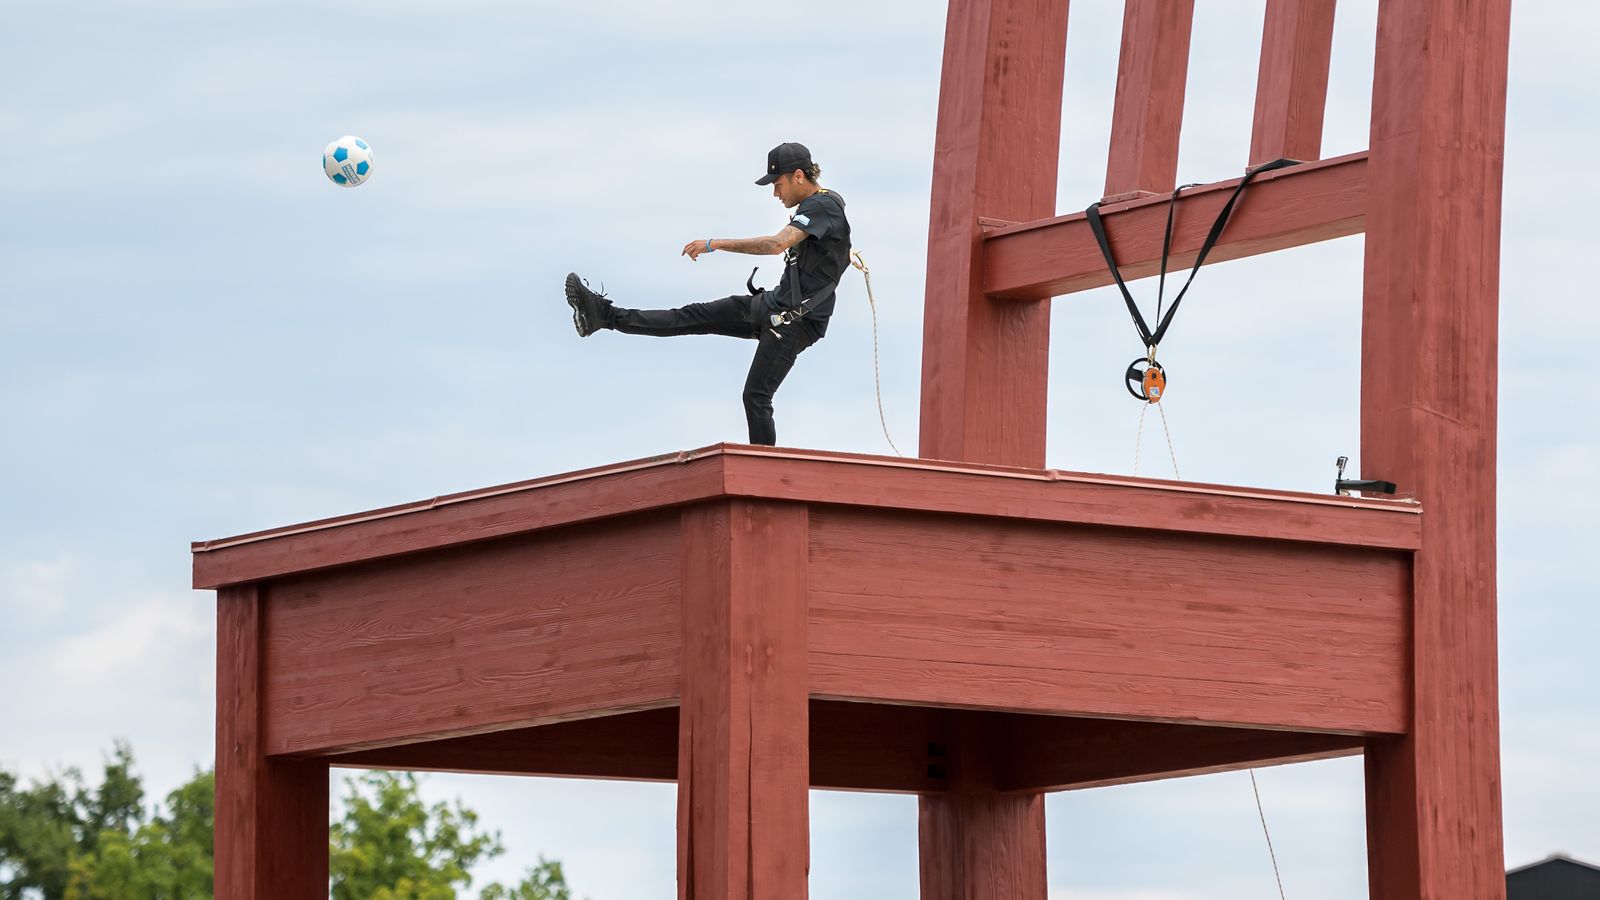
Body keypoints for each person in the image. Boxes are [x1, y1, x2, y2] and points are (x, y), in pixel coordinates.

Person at [564, 141, 852, 446]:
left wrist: (715, 243)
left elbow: (775, 244)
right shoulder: (812, 207)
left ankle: (763, 477)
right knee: (690, 316)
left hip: (795, 322)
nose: (775, 193)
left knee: (756, 396)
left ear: (798, 176)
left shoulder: (824, 206)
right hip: (773, 305)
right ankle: (603, 315)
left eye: (777, 184)